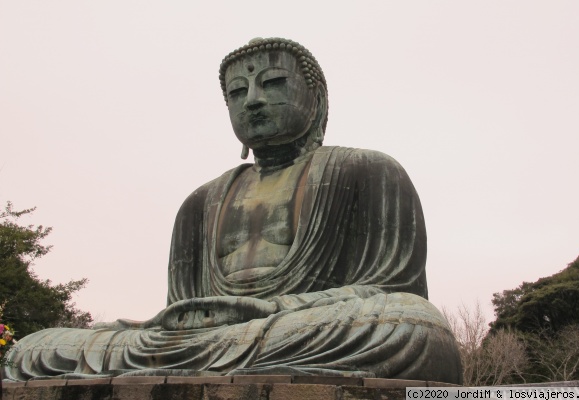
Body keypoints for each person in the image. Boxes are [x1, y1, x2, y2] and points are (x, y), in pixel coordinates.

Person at [3, 38, 462, 383]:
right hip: (205, 341)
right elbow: (179, 313)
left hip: (302, 327)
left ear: (316, 99)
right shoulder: (201, 202)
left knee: (413, 327)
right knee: (34, 349)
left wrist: (268, 309)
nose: (254, 100)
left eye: (274, 83)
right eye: (237, 92)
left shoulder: (367, 170)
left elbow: (391, 290)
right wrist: (195, 323)